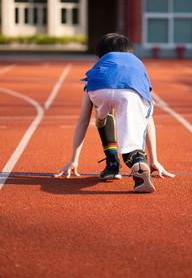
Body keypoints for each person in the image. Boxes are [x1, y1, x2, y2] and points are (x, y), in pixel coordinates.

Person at [54, 33, 175, 192]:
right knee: (134, 140)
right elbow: (148, 119)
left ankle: (112, 162)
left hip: (100, 88)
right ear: (131, 54)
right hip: (132, 90)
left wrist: (73, 160)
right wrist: (154, 160)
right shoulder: (136, 65)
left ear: (98, 57)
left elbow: (83, 121)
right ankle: (138, 160)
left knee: (100, 107)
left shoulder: (98, 67)